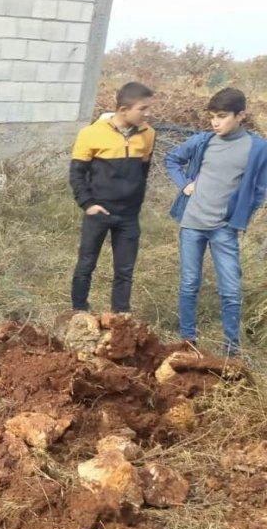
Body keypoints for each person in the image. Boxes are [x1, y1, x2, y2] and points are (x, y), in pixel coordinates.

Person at [165, 87, 267, 356]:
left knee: (231, 290)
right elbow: (172, 159)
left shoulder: (257, 148)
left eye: (222, 116)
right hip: (192, 224)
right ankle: (188, 340)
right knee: (189, 284)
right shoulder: (203, 141)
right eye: (212, 116)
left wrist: (240, 215)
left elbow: (259, 189)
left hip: (224, 228)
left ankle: (231, 350)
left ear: (240, 115)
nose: (215, 122)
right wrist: (184, 184)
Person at [68, 82, 156, 313]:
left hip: (129, 215)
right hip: (99, 212)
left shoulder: (148, 134)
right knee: (86, 264)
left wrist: (136, 201)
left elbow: (143, 171)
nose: (148, 114)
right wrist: (87, 204)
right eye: (143, 108)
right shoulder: (91, 134)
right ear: (123, 109)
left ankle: (121, 316)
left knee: (125, 270)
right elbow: (77, 174)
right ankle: (79, 310)